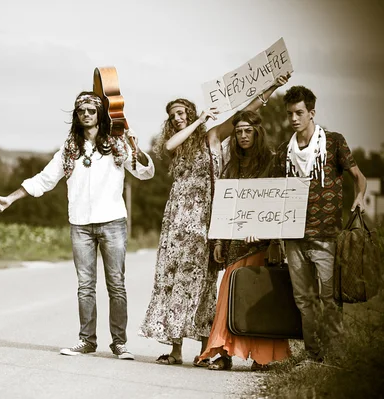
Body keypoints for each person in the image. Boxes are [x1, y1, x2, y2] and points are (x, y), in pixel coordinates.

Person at [138, 74, 290, 367]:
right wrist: (197, 120)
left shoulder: (211, 137)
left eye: (182, 113)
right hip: (176, 220)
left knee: (201, 284)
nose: (178, 118)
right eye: (173, 116)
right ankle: (175, 350)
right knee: (172, 283)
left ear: (192, 113)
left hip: (204, 219)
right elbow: (169, 146)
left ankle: (208, 349)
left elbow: (247, 112)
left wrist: (270, 88)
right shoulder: (178, 143)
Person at [0, 91, 155, 360]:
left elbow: (144, 173)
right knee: (85, 286)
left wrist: (134, 147)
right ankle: (87, 340)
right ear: (77, 117)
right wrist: (11, 198)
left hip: (112, 222)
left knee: (116, 284)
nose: (86, 115)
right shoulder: (69, 149)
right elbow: (44, 179)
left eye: (91, 111)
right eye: (82, 112)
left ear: (99, 114)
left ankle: (119, 343)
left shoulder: (116, 144)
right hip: (80, 224)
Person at [272, 85, 366, 363]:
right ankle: (314, 356)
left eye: (299, 113)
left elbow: (359, 176)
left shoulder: (334, 142)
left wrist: (360, 197)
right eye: (289, 114)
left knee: (330, 299)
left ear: (312, 112)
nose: (293, 119)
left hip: (326, 235)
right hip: (293, 236)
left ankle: (336, 359)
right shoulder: (282, 152)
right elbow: (274, 193)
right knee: (303, 300)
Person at [197, 110, 291, 371]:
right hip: (234, 243)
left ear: (257, 132)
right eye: (238, 131)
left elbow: (278, 203)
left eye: (247, 130)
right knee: (228, 296)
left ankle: (262, 357)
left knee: (259, 299)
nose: (242, 135)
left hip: (262, 244)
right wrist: (217, 241)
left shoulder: (272, 164)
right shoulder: (232, 166)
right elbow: (223, 206)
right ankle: (224, 353)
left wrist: (264, 231)